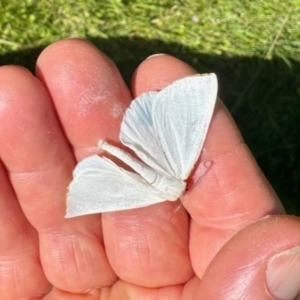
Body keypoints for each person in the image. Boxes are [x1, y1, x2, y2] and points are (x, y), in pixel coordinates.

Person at [0, 39, 299, 300]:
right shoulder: (172, 181)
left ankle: (112, 154)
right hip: (151, 167)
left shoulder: (176, 175)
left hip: (155, 162)